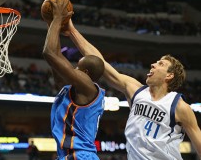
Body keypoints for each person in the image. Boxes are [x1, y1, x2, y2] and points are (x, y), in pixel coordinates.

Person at [61, 14, 201, 159]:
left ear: (169, 76)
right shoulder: (136, 91)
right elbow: (99, 62)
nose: (153, 64)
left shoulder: (179, 106)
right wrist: (72, 31)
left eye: (161, 64)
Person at [42, 0, 105, 160]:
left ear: (85, 74)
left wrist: (57, 18)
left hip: (80, 156)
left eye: (78, 66)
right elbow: (56, 66)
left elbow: (49, 53)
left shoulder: (88, 86)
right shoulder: (76, 90)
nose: (74, 68)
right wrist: (52, 25)